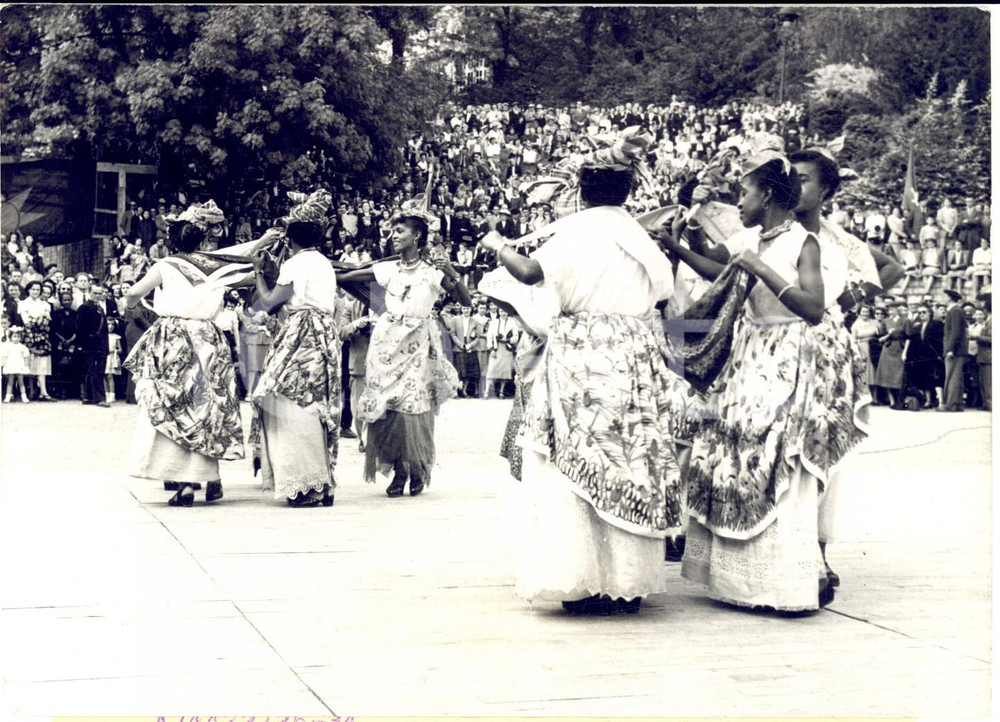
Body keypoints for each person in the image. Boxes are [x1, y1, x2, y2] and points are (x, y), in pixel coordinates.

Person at [480, 127, 684, 616]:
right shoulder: (638, 235)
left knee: (571, 457)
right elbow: (663, 291)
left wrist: (497, 245)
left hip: (581, 352)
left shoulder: (575, 230)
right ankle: (627, 582)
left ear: (581, 190)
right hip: (633, 352)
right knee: (630, 455)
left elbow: (530, 273)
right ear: (627, 192)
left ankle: (581, 580)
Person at [661, 150, 858, 612]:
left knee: (773, 461)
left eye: (745, 192)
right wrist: (680, 246)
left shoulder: (801, 243)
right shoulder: (751, 236)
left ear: (767, 194)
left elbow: (813, 309)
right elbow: (719, 268)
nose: (739, 200)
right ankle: (739, 583)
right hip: (749, 356)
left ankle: (784, 584)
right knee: (734, 458)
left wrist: (760, 268)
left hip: (787, 355)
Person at [338, 213, 471, 498]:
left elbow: (465, 299)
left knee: (413, 407)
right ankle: (398, 470)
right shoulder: (388, 270)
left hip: (418, 346)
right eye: (392, 231)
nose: (393, 236)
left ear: (417, 236)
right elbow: (346, 276)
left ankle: (417, 467)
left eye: (400, 231)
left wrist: (450, 270)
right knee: (389, 409)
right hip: (386, 347)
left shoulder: (433, 272)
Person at [123, 201, 244, 506]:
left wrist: (132, 308)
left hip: (174, 337)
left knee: (174, 404)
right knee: (208, 406)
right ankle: (210, 477)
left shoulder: (166, 265)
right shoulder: (217, 266)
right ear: (203, 239)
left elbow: (133, 292)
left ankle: (184, 482)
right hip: (209, 337)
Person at [250, 191, 342, 508]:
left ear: (290, 239)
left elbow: (269, 303)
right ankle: (322, 483)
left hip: (300, 335)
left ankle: (306, 485)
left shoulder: (294, 263)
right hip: (325, 337)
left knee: (289, 404)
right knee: (317, 406)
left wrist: (258, 272)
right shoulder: (325, 264)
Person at [340, 295, 375, 451]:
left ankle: (378, 441)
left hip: (383, 364)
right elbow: (341, 332)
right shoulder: (351, 306)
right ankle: (364, 440)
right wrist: (355, 325)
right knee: (358, 405)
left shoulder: (388, 303)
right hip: (359, 363)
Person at [17, 280, 54, 401]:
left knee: (42, 364)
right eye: (33, 289)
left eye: (38, 290)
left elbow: (48, 321)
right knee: (31, 362)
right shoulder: (23, 304)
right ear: (28, 290)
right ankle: (32, 391)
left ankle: (43, 392)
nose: (35, 292)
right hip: (30, 334)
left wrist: (41, 320)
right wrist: (39, 319)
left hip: (43, 334)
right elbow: (26, 322)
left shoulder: (44, 304)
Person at [75, 285, 111, 407]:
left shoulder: (99, 308)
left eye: (99, 293)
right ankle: (98, 398)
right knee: (92, 371)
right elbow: (80, 328)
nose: (97, 295)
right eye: (95, 293)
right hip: (89, 346)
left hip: (100, 345)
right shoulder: (85, 307)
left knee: (97, 370)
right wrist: (80, 345)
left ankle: (89, 397)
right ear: (90, 293)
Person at [940, 289, 969, 412]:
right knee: (956, 378)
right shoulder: (956, 310)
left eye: (944, 296)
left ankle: (950, 405)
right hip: (958, 350)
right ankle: (957, 405)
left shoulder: (955, 311)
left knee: (952, 377)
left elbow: (956, 332)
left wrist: (950, 349)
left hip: (955, 351)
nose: (943, 298)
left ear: (950, 298)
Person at [2, 326, 32, 403]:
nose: (16, 338)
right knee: (10, 382)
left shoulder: (22, 347)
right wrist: (4, 365)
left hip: (19, 365)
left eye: (18, 337)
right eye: (14, 336)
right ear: (11, 337)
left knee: (21, 382)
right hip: (11, 364)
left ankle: (24, 397)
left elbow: (25, 357)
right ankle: (7, 396)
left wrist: (25, 366)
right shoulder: (8, 346)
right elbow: (5, 356)